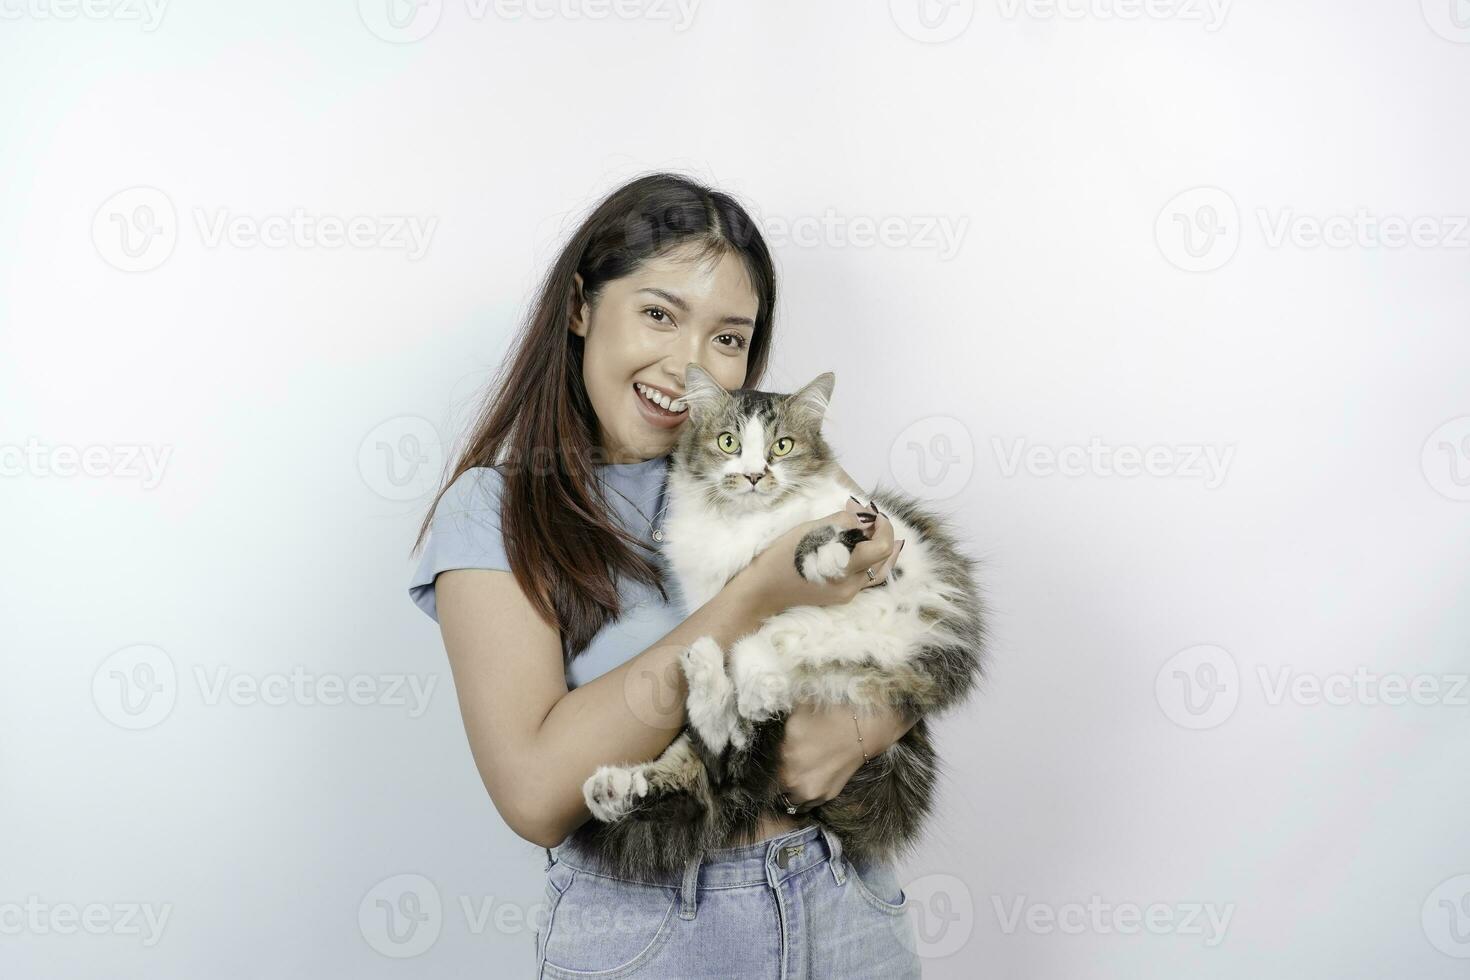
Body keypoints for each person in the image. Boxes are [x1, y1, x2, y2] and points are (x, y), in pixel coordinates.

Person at [407, 172, 923, 978]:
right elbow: (536, 795)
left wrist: (871, 725)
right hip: (655, 930)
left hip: (844, 899)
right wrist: (756, 595)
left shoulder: (768, 463)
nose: (691, 366)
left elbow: (911, 609)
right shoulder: (497, 509)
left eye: (728, 338)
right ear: (580, 307)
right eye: (658, 314)